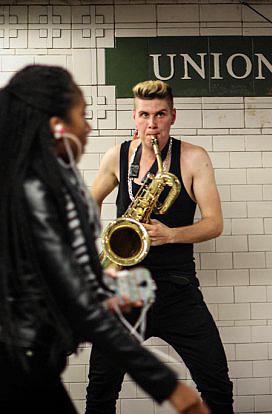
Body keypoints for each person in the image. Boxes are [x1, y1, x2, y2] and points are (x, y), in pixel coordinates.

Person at [0, 65, 207, 414]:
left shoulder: (34, 185)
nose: (89, 126)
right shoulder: (35, 194)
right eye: (82, 115)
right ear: (57, 126)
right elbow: (75, 306)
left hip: (32, 365)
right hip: (19, 368)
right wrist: (170, 388)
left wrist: (99, 285)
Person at [86, 80, 233, 413]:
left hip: (177, 291)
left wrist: (172, 234)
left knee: (217, 385)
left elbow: (214, 224)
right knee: (100, 390)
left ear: (172, 116)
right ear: (134, 117)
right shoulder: (117, 156)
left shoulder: (194, 157)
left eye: (160, 114)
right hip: (124, 290)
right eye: (144, 115)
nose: (151, 124)